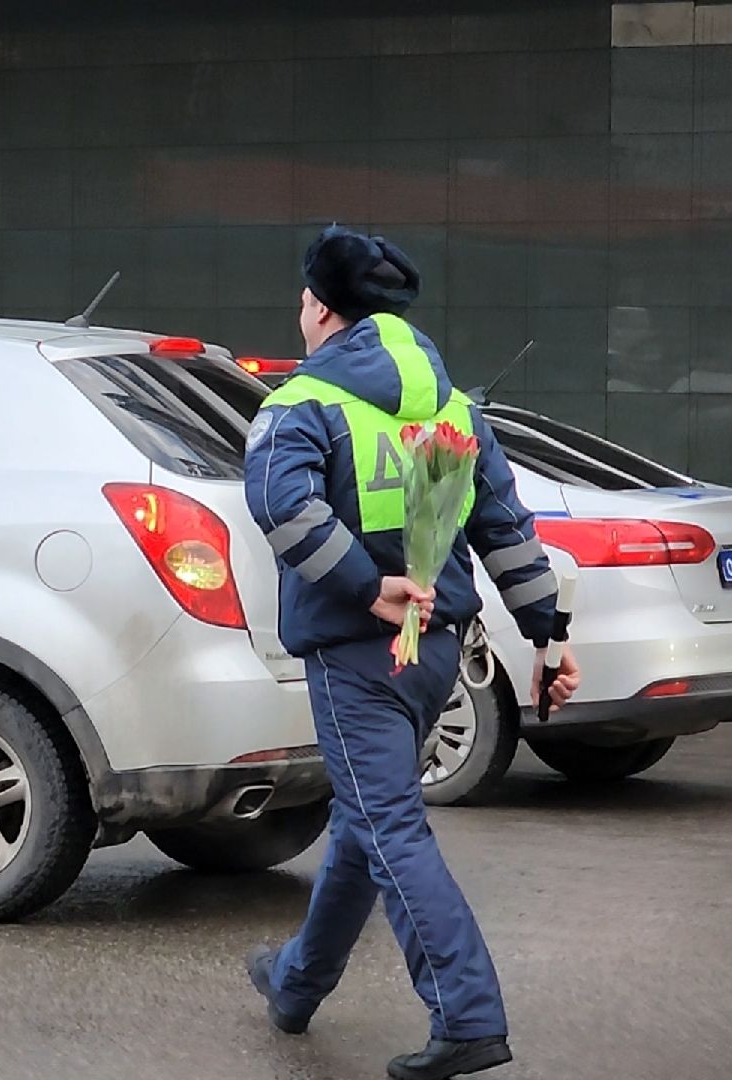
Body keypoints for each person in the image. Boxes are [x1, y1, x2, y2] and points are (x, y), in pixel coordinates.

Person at [241, 225, 581, 1080]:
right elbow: (503, 527)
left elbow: (283, 512)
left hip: (357, 654)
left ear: (319, 307)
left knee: (387, 825)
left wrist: (365, 586)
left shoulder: (298, 404)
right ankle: (295, 982)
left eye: (301, 301)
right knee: (366, 822)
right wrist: (547, 635)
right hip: (435, 659)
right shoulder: (455, 406)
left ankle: (466, 1015)